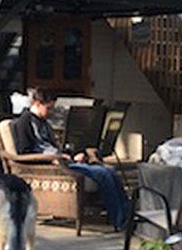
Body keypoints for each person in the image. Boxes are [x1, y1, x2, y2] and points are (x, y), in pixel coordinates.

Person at [12, 88, 129, 231]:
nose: (51, 112)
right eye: (48, 108)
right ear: (37, 103)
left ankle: (126, 215)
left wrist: (72, 155)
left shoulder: (44, 123)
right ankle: (120, 221)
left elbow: (55, 147)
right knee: (102, 174)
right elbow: (24, 152)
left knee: (111, 171)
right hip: (52, 165)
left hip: (62, 160)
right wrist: (51, 159)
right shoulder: (24, 123)